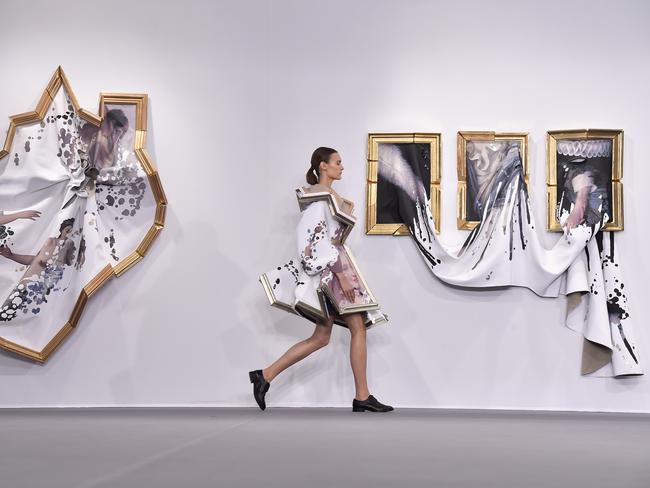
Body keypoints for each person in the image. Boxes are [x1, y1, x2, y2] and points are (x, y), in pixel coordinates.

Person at [250, 147, 393, 413]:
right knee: (357, 328)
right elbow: (312, 242)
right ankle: (362, 397)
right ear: (323, 165)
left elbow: (329, 240)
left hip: (335, 270)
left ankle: (265, 374)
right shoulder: (318, 202)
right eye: (338, 162)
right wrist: (340, 274)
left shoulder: (328, 199)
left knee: (321, 337)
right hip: (332, 273)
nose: (342, 167)